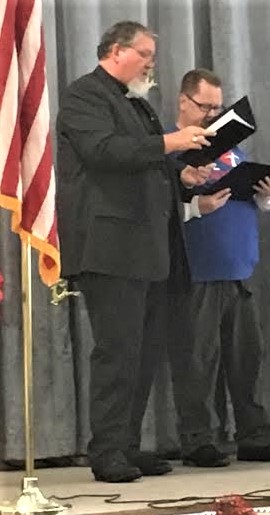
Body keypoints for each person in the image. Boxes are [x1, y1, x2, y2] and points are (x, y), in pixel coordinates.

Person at [56, 21, 214, 483]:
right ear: (116, 51)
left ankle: (126, 444)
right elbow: (103, 150)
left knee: (144, 353)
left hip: (148, 248)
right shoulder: (85, 95)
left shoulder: (136, 103)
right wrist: (170, 142)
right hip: (110, 247)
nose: (150, 63)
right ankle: (106, 450)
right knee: (117, 352)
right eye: (144, 54)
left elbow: (144, 162)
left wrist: (179, 175)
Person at [166, 68, 270, 467]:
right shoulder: (171, 148)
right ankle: (197, 439)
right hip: (196, 269)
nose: (212, 114)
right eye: (205, 106)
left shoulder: (231, 149)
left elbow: (254, 198)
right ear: (183, 101)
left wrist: (268, 193)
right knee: (197, 362)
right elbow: (157, 207)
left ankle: (255, 435)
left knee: (247, 360)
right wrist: (195, 206)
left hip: (238, 267)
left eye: (218, 108)